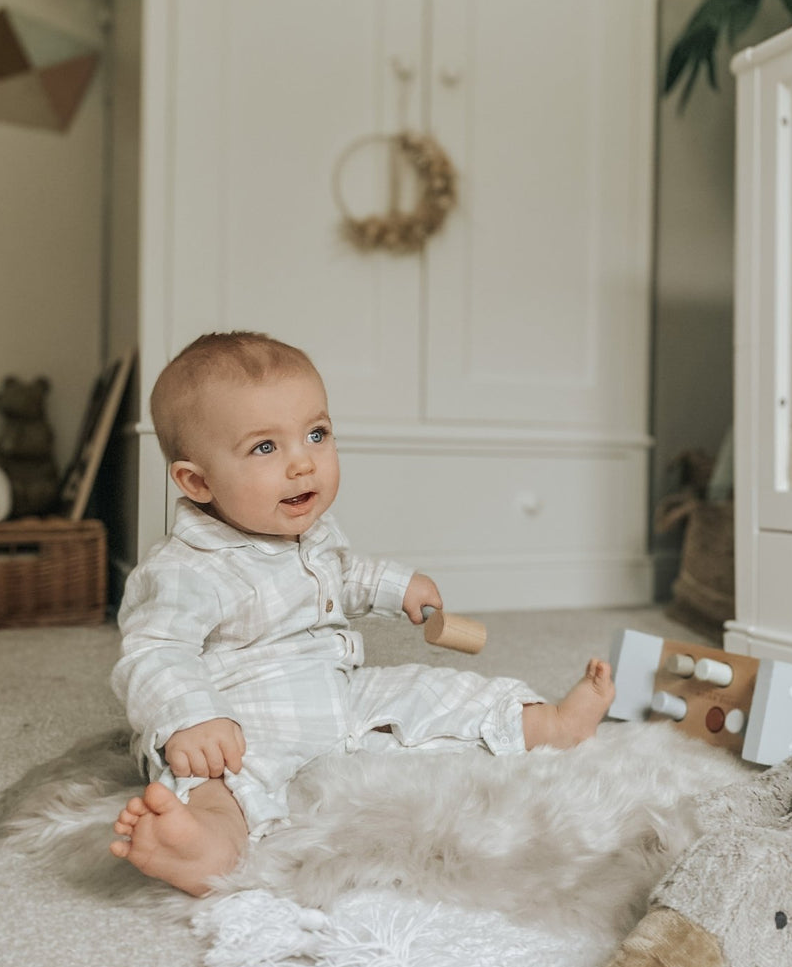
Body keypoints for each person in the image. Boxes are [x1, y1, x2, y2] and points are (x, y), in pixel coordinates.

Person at [109, 331, 615, 896]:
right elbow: (154, 652)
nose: (303, 463)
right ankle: (202, 843)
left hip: (340, 694)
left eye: (316, 434)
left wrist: (397, 586)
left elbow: (344, 575)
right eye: (265, 448)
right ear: (197, 481)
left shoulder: (311, 532)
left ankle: (547, 725)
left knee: (432, 695)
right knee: (213, 780)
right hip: (246, 721)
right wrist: (191, 716)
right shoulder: (185, 570)